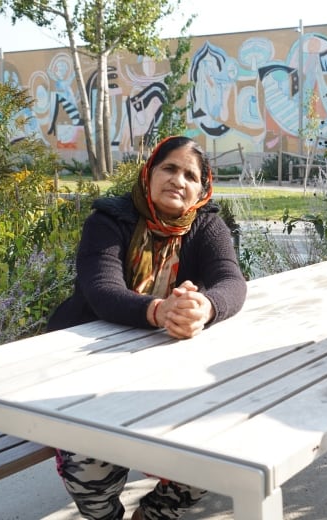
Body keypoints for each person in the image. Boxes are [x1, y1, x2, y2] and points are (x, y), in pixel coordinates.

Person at [47, 135, 247, 520]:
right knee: (87, 457)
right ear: (149, 173)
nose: (178, 180)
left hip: (165, 366)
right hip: (88, 364)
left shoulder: (206, 225)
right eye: (169, 168)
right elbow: (101, 290)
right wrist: (160, 311)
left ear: (201, 190)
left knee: (218, 450)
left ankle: (153, 515)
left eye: (190, 175)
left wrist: (203, 306)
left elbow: (231, 282)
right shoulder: (109, 220)